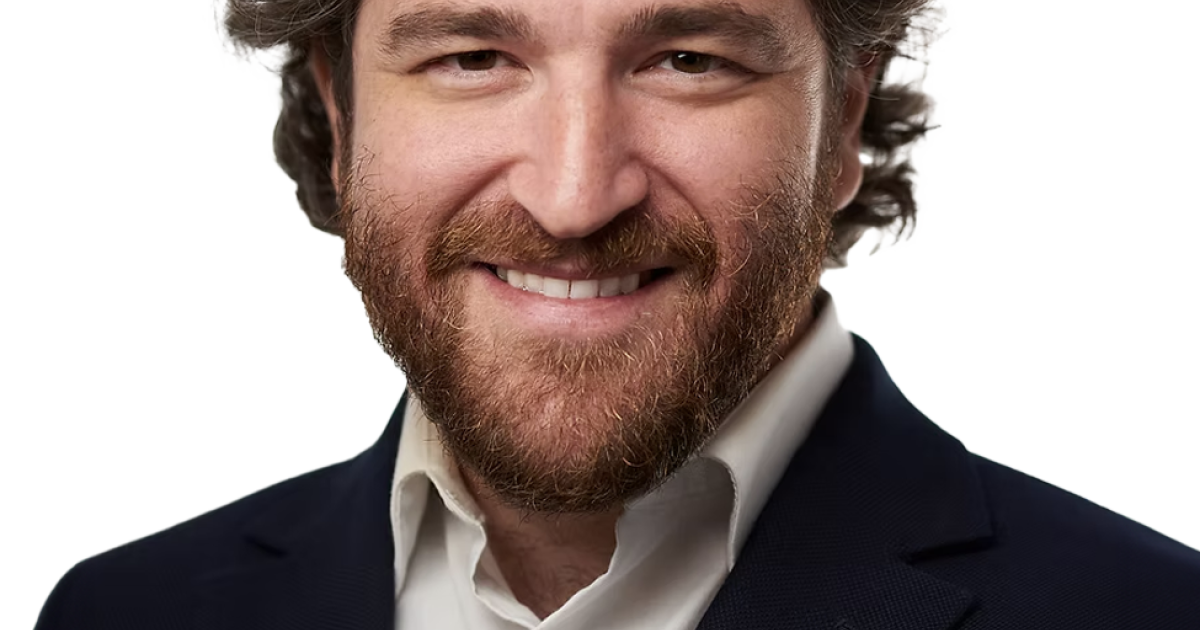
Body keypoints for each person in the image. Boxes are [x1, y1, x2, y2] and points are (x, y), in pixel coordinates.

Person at [34, 0, 1199, 628]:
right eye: (472, 56)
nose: (575, 196)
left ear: (844, 121)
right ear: (338, 114)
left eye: (688, 59)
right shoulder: (124, 615)